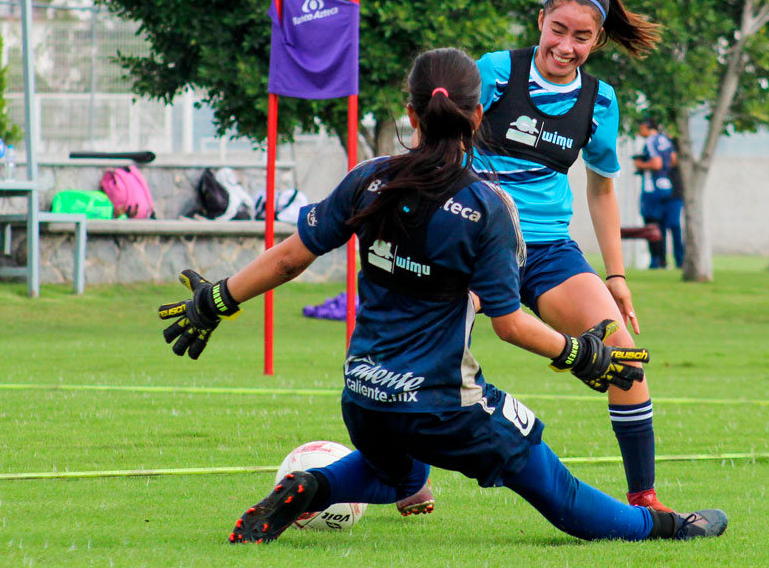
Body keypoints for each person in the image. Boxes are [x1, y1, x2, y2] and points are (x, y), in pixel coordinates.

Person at [158, 48, 728, 544]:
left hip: (363, 395)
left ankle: (312, 487)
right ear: (479, 116)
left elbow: (288, 258)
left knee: (397, 475)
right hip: (446, 407)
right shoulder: (488, 206)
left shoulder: (369, 178)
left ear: (411, 113)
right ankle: (670, 528)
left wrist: (215, 302)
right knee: (561, 493)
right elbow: (509, 323)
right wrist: (578, 354)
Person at [469, 0, 673, 511]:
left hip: (546, 250)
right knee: (439, 356)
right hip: (473, 237)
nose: (565, 46)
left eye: (581, 37)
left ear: (598, 39)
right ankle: (407, 477)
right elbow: (441, 143)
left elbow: (602, 192)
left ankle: (644, 499)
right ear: (541, 20)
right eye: (557, 29)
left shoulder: (600, 101)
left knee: (624, 358)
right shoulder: (495, 71)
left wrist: (616, 275)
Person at [633, 119, 683, 269]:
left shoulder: (651, 141)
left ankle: (657, 260)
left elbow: (657, 163)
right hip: (667, 186)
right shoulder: (666, 140)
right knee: (666, 226)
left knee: (652, 225)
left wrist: (640, 164)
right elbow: (673, 161)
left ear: (645, 126)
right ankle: (671, 260)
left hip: (653, 189)